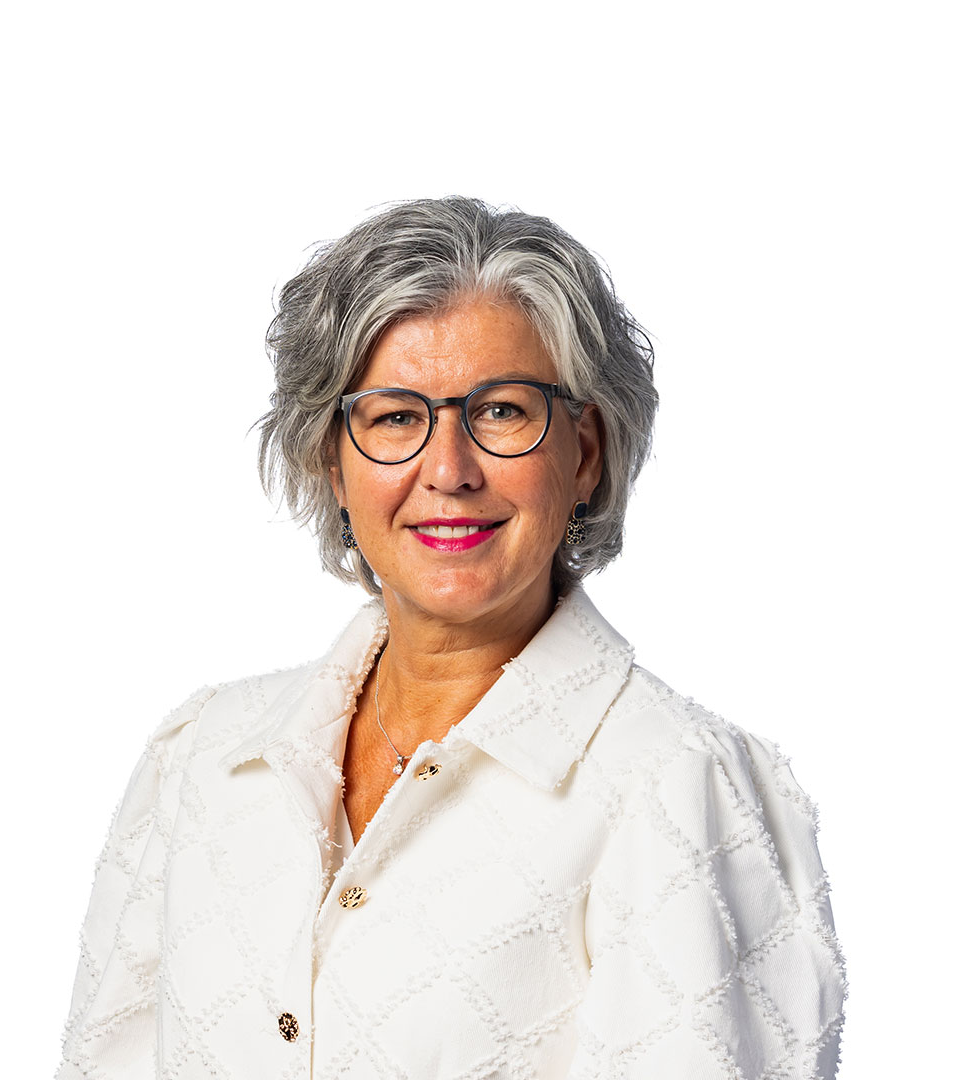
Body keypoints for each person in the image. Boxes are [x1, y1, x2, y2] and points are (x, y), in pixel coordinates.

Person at [56, 197, 846, 1079]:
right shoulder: (204, 758)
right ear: (332, 460)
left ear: (585, 452)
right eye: (395, 416)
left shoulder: (676, 784)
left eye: (502, 411)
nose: (448, 470)